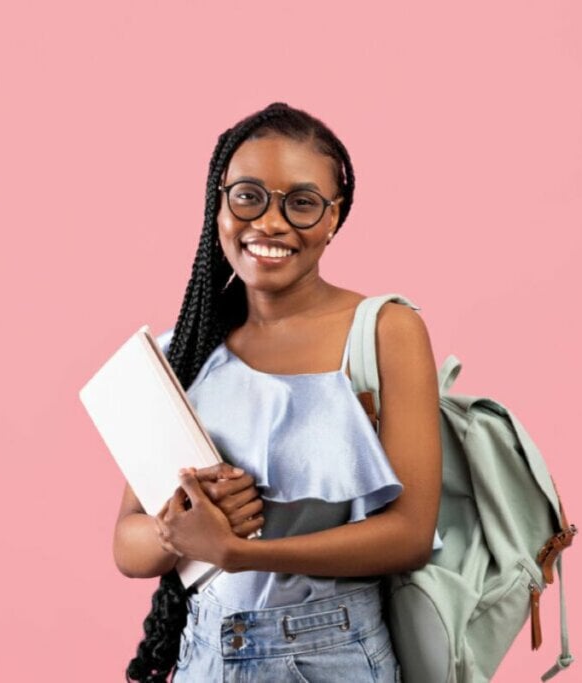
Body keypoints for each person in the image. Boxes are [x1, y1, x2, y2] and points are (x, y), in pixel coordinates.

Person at [113, 102, 442, 682]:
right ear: (219, 205)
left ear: (334, 218)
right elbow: (126, 544)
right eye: (248, 196)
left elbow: (410, 535)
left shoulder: (386, 330)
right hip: (203, 656)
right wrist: (181, 526)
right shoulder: (183, 348)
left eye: (302, 202)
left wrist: (237, 550)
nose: (269, 223)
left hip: (334, 655)